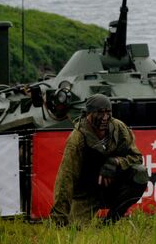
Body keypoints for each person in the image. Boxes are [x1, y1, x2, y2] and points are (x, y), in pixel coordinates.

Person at [50, 94, 149, 227]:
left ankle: (112, 219)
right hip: (87, 192)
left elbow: (137, 157)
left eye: (108, 113)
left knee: (140, 173)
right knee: (75, 229)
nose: (105, 118)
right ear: (88, 114)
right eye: (100, 113)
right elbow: (66, 178)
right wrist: (59, 217)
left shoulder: (119, 128)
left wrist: (116, 162)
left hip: (112, 186)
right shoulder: (77, 139)